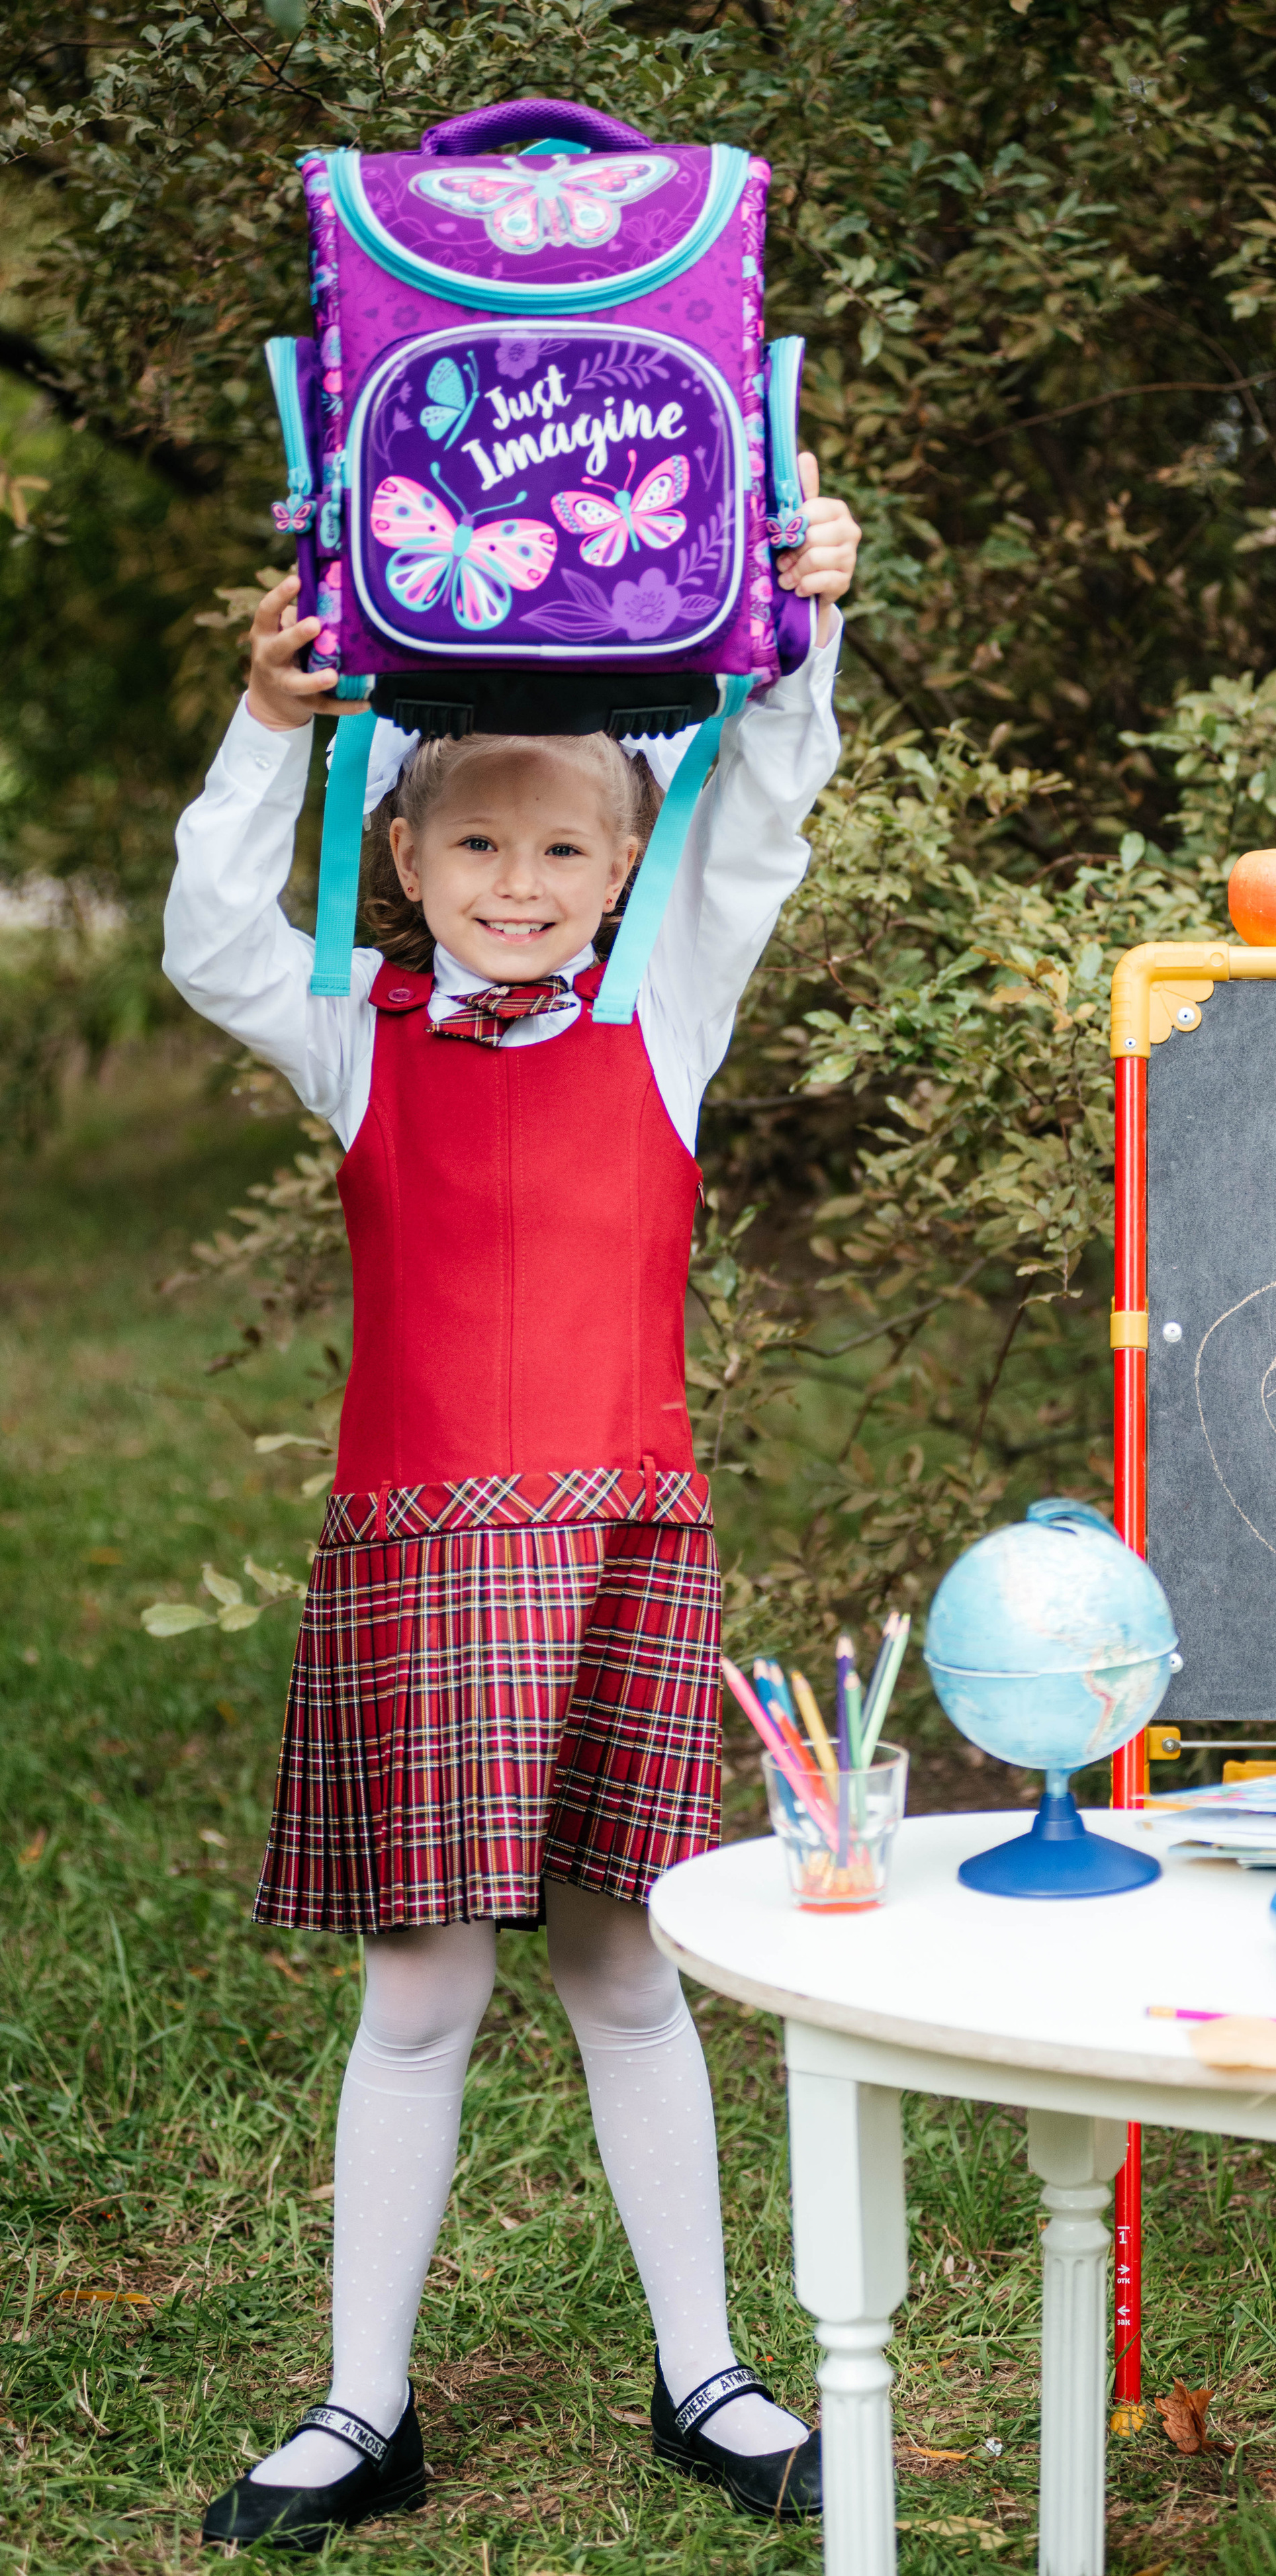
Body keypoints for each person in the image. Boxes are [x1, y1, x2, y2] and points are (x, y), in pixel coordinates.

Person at [163, 460, 861, 2551]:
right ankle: (363, 2401)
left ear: (627, 861)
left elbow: (768, 814)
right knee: (424, 1990)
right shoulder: (356, 1033)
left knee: (624, 1966)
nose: (523, 877)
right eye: (477, 837)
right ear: (406, 850)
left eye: (567, 843)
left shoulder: (665, 1010)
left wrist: (804, 619)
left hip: (623, 1547)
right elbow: (211, 925)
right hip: (423, 1561)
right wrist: (268, 724)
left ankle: (705, 2370)